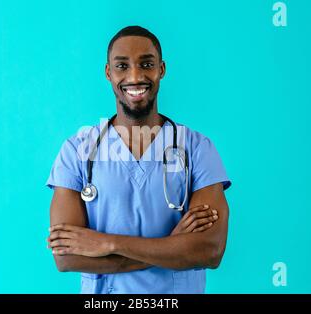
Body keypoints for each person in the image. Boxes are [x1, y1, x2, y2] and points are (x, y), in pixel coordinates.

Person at [45, 26, 231, 294]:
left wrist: (107, 244)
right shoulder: (78, 150)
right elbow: (65, 258)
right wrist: (172, 245)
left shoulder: (197, 148)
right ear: (108, 73)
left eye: (147, 64)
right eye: (122, 66)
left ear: (161, 70)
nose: (135, 76)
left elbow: (209, 250)